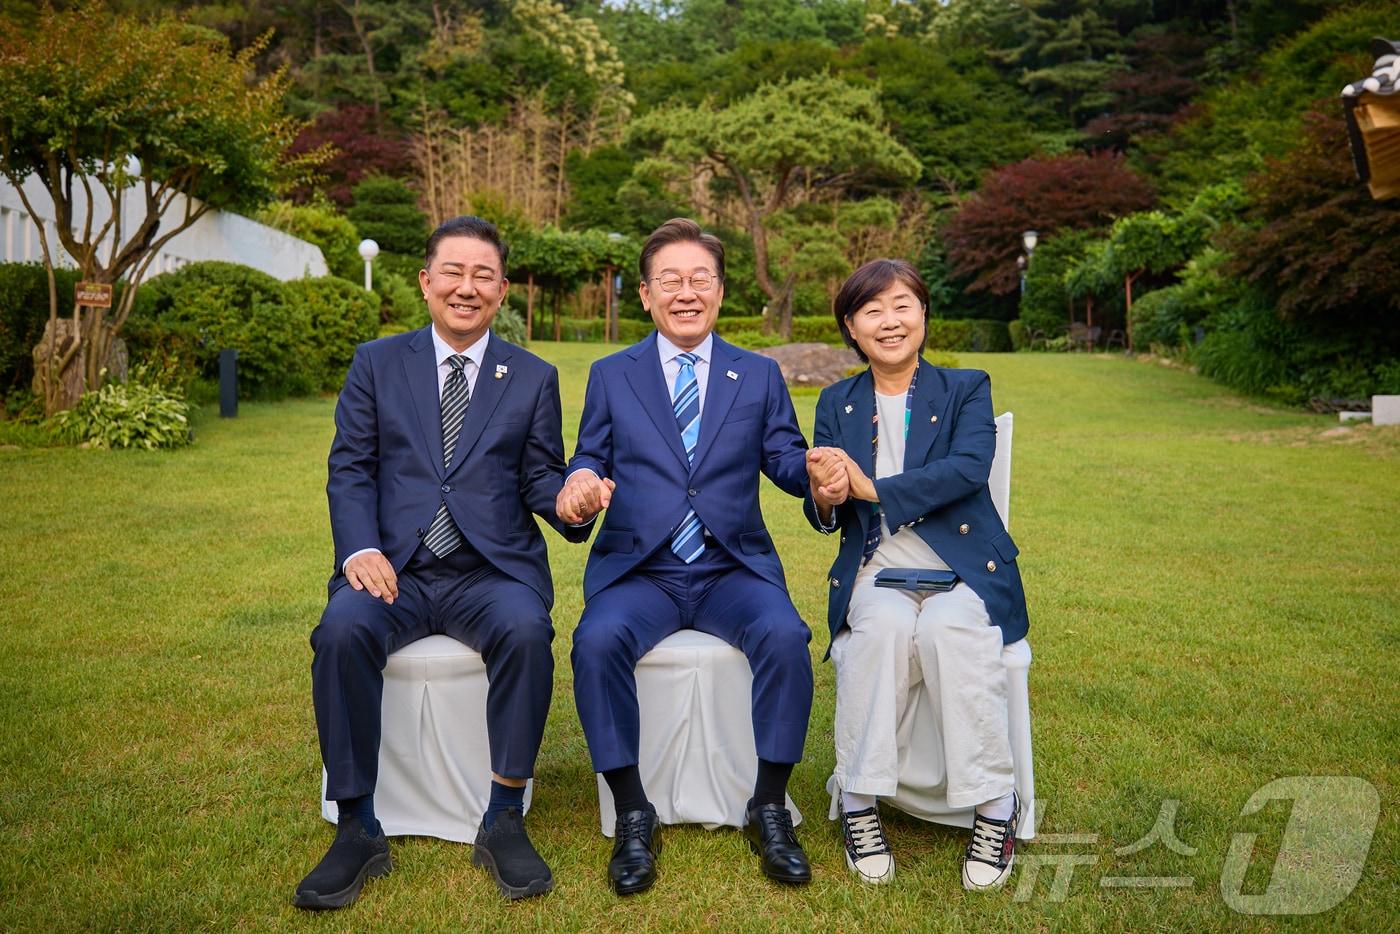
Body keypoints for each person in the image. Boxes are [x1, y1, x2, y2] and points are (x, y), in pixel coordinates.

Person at [294, 216, 591, 909]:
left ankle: (504, 814)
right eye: (452, 272)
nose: (467, 287)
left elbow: (540, 478)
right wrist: (359, 549)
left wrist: (571, 501)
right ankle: (356, 823)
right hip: (393, 567)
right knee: (341, 632)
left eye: (483, 274)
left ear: (501, 288)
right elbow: (351, 469)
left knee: (526, 633)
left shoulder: (532, 376)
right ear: (426, 281)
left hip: (488, 574)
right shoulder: (377, 362)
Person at [557, 218, 843, 895]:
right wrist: (578, 484)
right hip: (641, 570)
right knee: (594, 643)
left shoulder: (758, 374)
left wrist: (819, 481)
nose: (686, 293)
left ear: (719, 290)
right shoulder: (611, 374)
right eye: (670, 281)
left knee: (782, 634)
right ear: (647, 297)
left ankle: (768, 805)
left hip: (729, 569)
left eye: (700, 280)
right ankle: (633, 813)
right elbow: (591, 453)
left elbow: (782, 457)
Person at [805, 258, 1029, 890]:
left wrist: (868, 485)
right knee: (878, 636)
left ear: (923, 313)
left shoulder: (965, 387)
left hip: (962, 573)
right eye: (872, 310)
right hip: (878, 571)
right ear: (852, 327)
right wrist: (824, 493)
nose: (890, 321)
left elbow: (966, 469)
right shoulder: (837, 401)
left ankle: (993, 804)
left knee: (949, 635)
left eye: (902, 305)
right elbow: (825, 508)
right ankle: (859, 804)